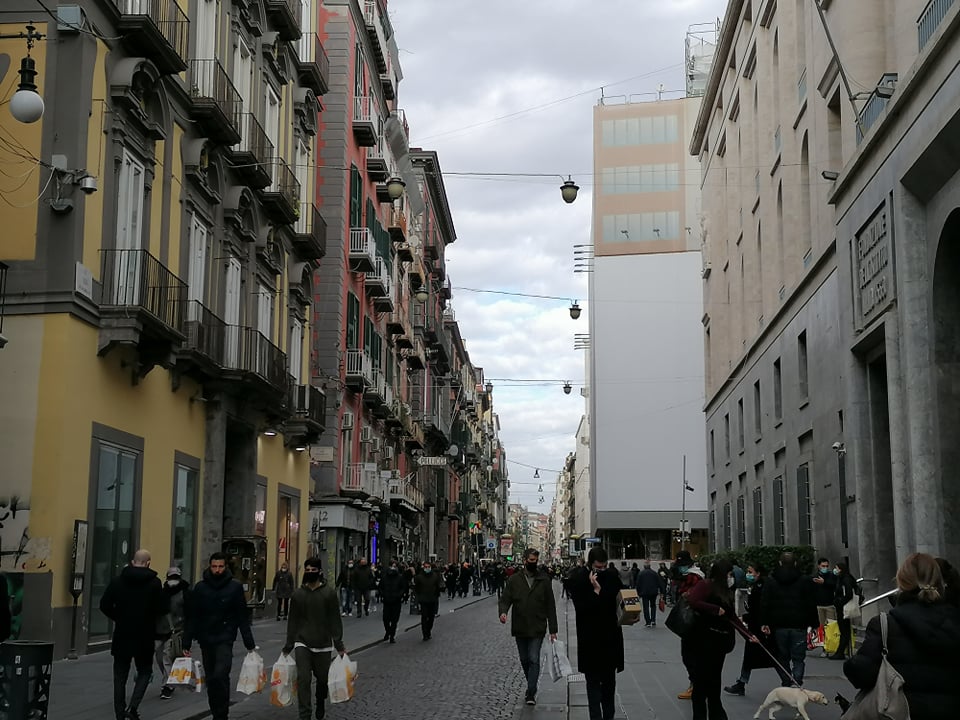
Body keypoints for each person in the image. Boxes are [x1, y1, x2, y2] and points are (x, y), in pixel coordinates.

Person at [844, 552, 960, 719]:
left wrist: (851, 664)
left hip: (900, 712)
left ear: (902, 582)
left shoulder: (886, 625)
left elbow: (861, 673)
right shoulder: (954, 621)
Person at [183, 552, 256, 720]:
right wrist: (186, 642)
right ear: (210, 566)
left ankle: (222, 714)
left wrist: (249, 642)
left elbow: (242, 617)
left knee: (220, 674)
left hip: (225, 637)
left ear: (226, 567)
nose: (217, 570)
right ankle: (217, 711)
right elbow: (193, 616)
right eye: (214, 566)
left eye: (220, 566)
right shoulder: (200, 588)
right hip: (206, 638)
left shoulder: (234, 587)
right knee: (211, 679)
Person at [99, 549, 169, 720]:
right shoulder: (154, 583)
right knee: (144, 671)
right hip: (144, 635)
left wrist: (119, 617)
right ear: (148, 563)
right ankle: (133, 707)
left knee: (120, 676)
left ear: (132, 562)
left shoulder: (117, 581)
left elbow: (104, 604)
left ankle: (119, 713)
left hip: (122, 634)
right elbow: (161, 609)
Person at [686, 558, 750, 720]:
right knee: (701, 683)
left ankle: (716, 714)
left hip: (719, 643)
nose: (731, 577)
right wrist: (715, 609)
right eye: (729, 574)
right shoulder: (705, 585)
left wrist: (748, 635)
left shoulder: (726, 590)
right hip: (702, 640)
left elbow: (732, 616)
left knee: (714, 681)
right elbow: (694, 601)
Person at [282, 558, 345, 720]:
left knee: (322, 679)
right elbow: (293, 621)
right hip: (302, 642)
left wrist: (339, 644)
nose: (310, 573)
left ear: (319, 572)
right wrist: (289, 644)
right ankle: (305, 714)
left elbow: (334, 620)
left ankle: (320, 701)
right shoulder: (298, 595)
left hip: (323, 644)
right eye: (307, 570)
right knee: (303, 678)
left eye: (313, 570)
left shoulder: (329, 594)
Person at [567, 546, 624, 720]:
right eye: (598, 567)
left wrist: (629, 612)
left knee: (609, 687)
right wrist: (596, 592)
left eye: (604, 567)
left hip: (610, 640)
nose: (601, 570)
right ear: (590, 564)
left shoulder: (612, 577)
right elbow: (582, 608)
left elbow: (621, 598)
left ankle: (609, 716)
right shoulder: (579, 580)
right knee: (593, 688)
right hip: (590, 641)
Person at [498, 549, 559, 706]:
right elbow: (505, 599)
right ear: (524, 560)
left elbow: (550, 606)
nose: (533, 563)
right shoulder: (514, 580)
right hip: (520, 626)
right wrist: (503, 612)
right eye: (531, 560)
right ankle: (531, 684)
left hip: (538, 626)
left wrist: (553, 629)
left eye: (535, 560)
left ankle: (531, 691)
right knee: (524, 659)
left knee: (533, 658)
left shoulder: (544, 580)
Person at [761, 552, 817, 687]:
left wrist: (764, 622)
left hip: (778, 625)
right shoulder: (804, 580)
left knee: (781, 656)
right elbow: (810, 602)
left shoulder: (771, 580)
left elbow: (765, 603)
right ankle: (797, 680)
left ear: (780, 563)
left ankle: (786, 679)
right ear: (796, 563)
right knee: (798, 658)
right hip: (799, 624)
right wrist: (814, 623)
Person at [724, 563, 778, 696]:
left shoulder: (761, 587)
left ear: (758, 573)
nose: (748, 574)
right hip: (757, 626)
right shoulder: (759, 585)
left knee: (773, 656)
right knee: (752, 657)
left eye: (750, 571)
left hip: (760, 628)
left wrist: (746, 618)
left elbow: (759, 608)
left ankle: (787, 680)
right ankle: (741, 682)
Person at [675, 549, 705, 700]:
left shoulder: (693, 577)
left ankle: (695, 686)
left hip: (693, 622)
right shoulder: (697, 575)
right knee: (692, 655)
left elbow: (688, 595)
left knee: (689, 655)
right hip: (697, 621)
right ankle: (696, 685)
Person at [156, 567, 190, 700]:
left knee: (166, 656)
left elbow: (189, 612)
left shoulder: (185, 593)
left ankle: (168, 686)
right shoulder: (162, 592)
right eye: (171, 578)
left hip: (177, 631)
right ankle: (168, 679)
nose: (173, 581)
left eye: (175, 578)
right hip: (160, 630)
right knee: (159, 657)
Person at [829, 561, 857, 660]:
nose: (835, 570)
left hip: (844, 608)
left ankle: (840, 652)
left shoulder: (845, 579)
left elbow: (848, 594)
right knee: (844, 630)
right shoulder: (843, 578)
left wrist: (840, 602)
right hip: (842, 607)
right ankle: (841, 651)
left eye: (836, 568)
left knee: (844, 630)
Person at [379, 559, 408, 643]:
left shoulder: (400, 577)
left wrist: (399, 595)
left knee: (394, 620)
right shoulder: (384, 577)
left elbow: (403, 588)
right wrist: (383, 595)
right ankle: (388, 631)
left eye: (394, 566)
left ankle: (392, 636)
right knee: (386, 619)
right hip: (387, 601)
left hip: (396, 601)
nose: (393, 568)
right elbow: (380, 587)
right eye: (392, 566)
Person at [413, 560, 442, 640]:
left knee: (431, 617)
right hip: (423, 600)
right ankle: (425, 634)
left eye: (428, 567)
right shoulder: (419, 577)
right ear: (423, 567)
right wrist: (419, 597)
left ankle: (428, 630)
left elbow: (438, 587)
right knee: (424, 617)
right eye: (425, 567)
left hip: (432, 600)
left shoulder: (435, 576)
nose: (427, 568)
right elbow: (416, 588)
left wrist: (437, 595)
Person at [811, 557, 837, 635]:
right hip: (819, 605)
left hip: (830, 604)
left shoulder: (831, 575)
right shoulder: (815, 576)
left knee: (831, 626)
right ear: (819, 566)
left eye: (826, 566)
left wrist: (824, 582)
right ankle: (823, 642)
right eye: (823, 566)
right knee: (821, 627)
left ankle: (831, 642)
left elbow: (834, 585)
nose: (825, 568)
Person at [635, 560, 661, 627]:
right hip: (653, 592)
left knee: (645, 607)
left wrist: (638, 593)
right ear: (650, 566)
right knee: (653, 606)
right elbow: (659, 582)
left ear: (644, 566)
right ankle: (653, 620)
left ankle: (648, 622)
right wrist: (661, 591)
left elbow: (638, 584)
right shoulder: (654, 573)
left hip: (644, 593)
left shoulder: (641, 573)